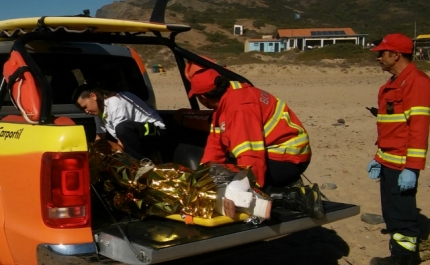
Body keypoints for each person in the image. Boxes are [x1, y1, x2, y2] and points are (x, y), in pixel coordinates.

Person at [188, 68, 324, 219]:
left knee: (240, 194)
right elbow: (215, 146)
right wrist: (202, 179)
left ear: (202, 98)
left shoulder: (239, 108)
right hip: (274, 152)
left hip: (287, 157)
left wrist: (244, 190)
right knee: (223, 182)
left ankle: (300, 197)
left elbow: (251, 155)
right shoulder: (228, 98)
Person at [367, 33, 430, 265]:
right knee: (392, 212)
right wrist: (378, 157)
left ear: (396, 55)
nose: (379, 58)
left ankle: (405, 259)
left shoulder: (417, 82)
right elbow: (391, 129)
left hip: (402, 163)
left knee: (402, 215)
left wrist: (412, 168)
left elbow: (419, 128)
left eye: (382, 54)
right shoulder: (394, 83)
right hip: (388, 160)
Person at [75, 84, 166, 161]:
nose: (86, 112)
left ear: (93, 96)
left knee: (122, 128)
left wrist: (111, 147)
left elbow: (121, 142)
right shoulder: (99, 110)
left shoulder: (116, 103)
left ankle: (141, 163)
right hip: (134, 136)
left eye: (85, 107)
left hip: (155, 132)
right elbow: (100, 136)